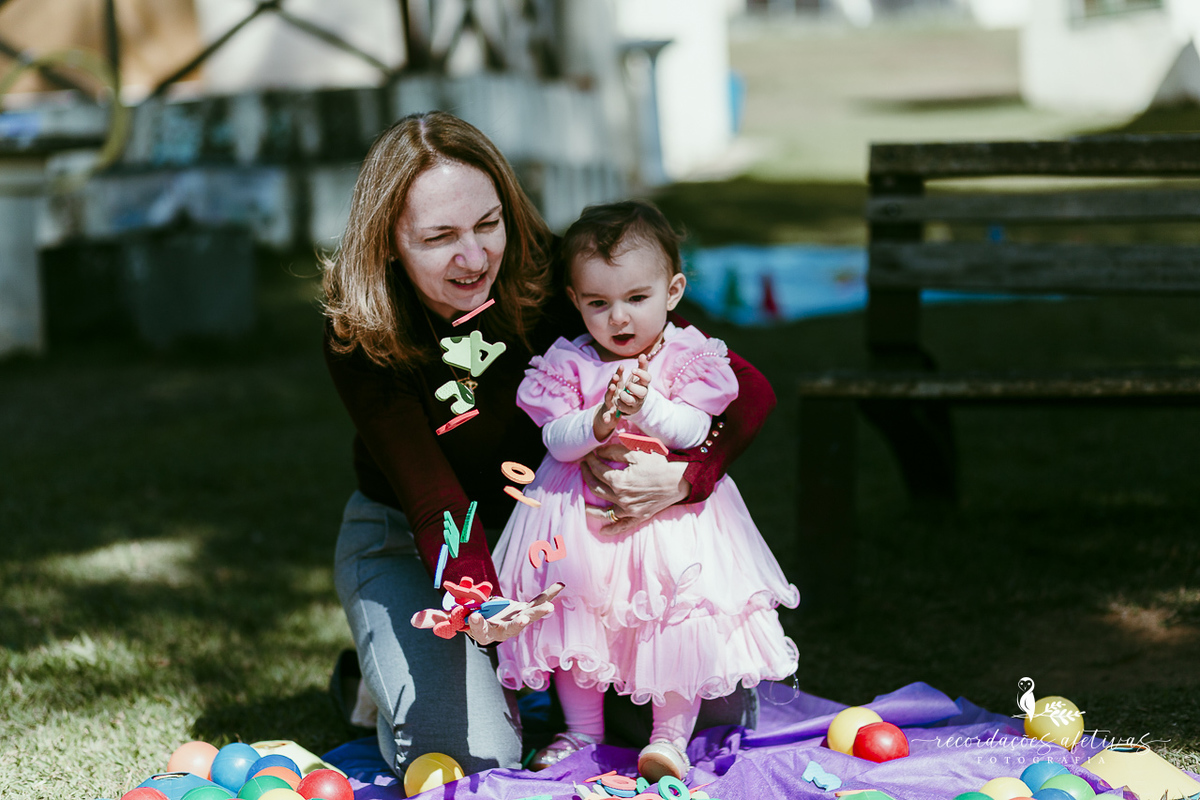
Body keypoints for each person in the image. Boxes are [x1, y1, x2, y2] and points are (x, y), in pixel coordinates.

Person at [320, 110, 779, 778]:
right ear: (389, 242)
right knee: (472, 755)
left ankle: (523, 681)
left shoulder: (563, 276)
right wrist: (477, 597)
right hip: (419, 545)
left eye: (487, 224)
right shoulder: (362, 328)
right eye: (440, 237)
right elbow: (432, 497)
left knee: (709, 717)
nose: (474, 257)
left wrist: (686, 478)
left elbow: (739, 383)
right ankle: (381, 677)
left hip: (568, 542)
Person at [492, 200, 800, 782]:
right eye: (598, 303)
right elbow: (557, 439)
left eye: (637, 299)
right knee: (573, 610)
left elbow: (692, 428)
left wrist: (650, 407)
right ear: (575, 300)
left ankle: (668, 737)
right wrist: (599, 423)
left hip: (671, 526)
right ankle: (581, 730)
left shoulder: (687, 357)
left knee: (674, 616)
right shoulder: (570, 363)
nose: (619, 319)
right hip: (582, 525)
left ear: (673, 289)